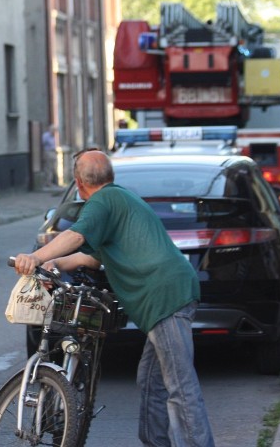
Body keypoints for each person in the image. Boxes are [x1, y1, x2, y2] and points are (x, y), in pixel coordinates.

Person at [14, 150, 214, 447]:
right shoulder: (119, 199)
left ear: (79, 183)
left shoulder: (102, 201)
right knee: (151, 382)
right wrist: (57, 263)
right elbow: (92, 257)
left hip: (164, 298)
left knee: (179, 386)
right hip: (168, 294)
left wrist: (35, 256)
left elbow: (77, 235)